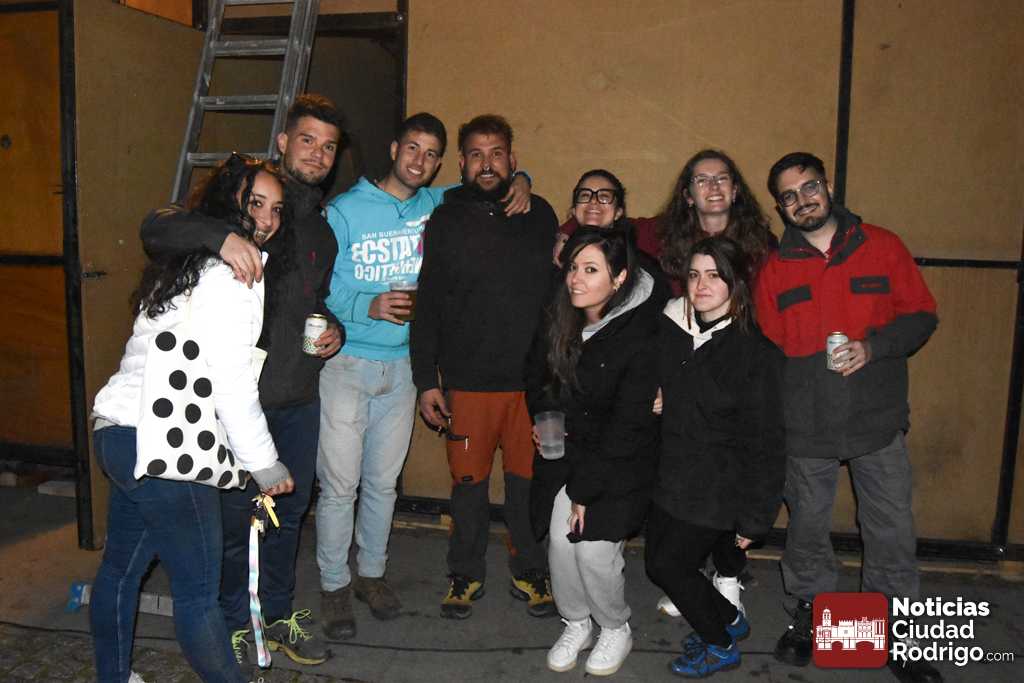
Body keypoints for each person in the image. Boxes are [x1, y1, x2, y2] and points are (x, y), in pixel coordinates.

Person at [141, 94, 344, 668]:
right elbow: (157, 226)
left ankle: (275, 617)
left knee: (287, 518)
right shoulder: (243, 207)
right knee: (234, 525)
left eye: (329, 146)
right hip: (236, 405)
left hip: (298, 400)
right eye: (307, 140)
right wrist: (220, 238)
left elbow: (313, 302)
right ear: (283, 142)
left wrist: (335, 329)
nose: (318, 154)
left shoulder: (321, 233)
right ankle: (234, 625)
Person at [316, 112, 533, 639]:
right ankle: (334, 585)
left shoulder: (438, 204)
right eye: (412, 148)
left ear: (441, 164)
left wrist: (524, 181)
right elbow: (318, 286)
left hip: (403, 367)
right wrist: (366, 304)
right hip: (347, 364)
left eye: (431, 154)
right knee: (340, 485)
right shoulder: (343, 210)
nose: (420, 160)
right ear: (394, 148)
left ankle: (371, 575)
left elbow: (490, 178)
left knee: (383, 483)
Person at [91, 156, 295, 683]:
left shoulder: (184, 264)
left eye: (277, 209)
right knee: (199, 595)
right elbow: (230, 382)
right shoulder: (232, 274)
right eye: (256, 204)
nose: (267, 219)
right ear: (230, 204)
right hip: (167, 447)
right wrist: (266, 464)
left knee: (120, 572)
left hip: (118, 434)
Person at [754, 152, 941, 683]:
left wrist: (874, 347)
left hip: (874, 419)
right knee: (807, 528)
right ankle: (812, 615)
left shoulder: (882, 246)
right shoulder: (774, 269)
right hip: (806, 425)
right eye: (789, 196)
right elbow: (767, 348)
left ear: (828, 186)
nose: (803, 201)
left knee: (891, 529)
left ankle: (896, 631)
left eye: (810, 187)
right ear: (780, 206)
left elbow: (922, 315)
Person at [410, 114, 558, 620]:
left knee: (527, 487)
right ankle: (465, 573)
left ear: (513, 160)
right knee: (468, 489)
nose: (487, 163)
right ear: (462, 163)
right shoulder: (445, 220)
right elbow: (428, 304)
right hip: (468, 384)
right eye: (476, 154)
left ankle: (530, 570)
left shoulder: (540, 214)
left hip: (531, 386)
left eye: (497, 153)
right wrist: (426, 381)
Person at [645, 235, 785, 678]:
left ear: (735, 282)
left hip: (718, 486)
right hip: (673, 473)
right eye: (694, 275)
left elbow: (767, 444)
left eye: (714, 276)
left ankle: (720, 645)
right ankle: (728, 619)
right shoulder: (675, 333)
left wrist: (754, 520)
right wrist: (658, 396)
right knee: (657, 563)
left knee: (669, 566)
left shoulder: (754, 353)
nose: (701, 285)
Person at [527, 229, 660, 676]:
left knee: (593, 552)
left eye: (590, 270)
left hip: (624, 462)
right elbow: (540, 379)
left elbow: (628, 425)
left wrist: (584, 491)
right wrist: (543, 419)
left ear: (619, 278)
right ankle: (576, 621)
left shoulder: (639, 332)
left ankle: (615, 626)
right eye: (572, 268)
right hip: (573, 454)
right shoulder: (563, 319)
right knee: (561, 545)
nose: (576, 279)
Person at [552, 150, 776, 291]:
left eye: (721, 178)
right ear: (688, 196)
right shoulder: (664, 232)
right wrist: (568, 230)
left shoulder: (762, 243)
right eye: (702, 180)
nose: (714, 186)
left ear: (734, 191)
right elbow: (608, 217)